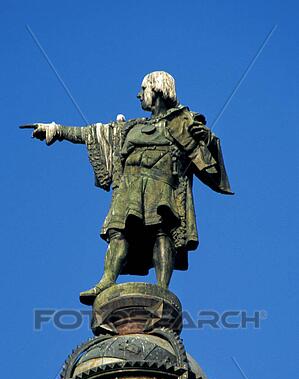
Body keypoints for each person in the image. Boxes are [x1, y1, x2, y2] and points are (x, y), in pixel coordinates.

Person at [30, 71, 233, 305]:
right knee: (118, 232)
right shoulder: (131, 127)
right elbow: (93, 133)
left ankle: (162, 288)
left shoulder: (184, 122)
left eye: (143, 89)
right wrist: (56, 130)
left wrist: (208, 140)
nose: (138, 95)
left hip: (162, 184)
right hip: (129, 188)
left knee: (161, 232)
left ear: (157, 89)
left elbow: (209, 165)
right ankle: (106, 280)